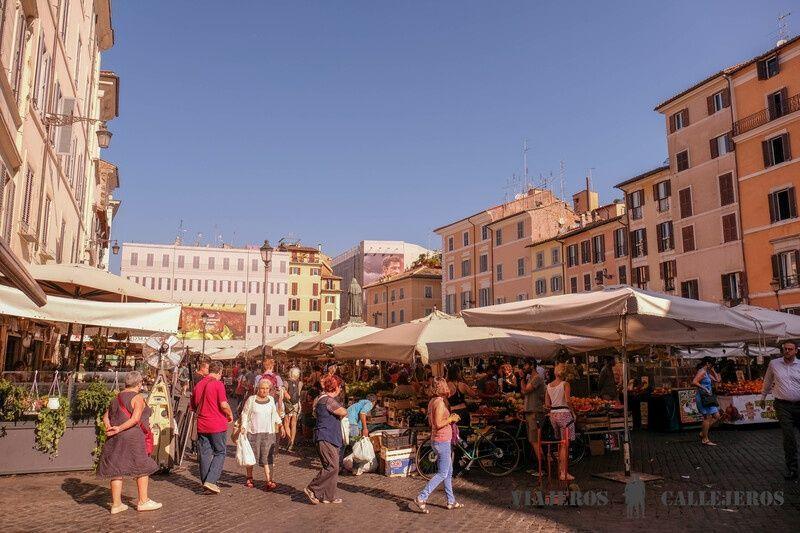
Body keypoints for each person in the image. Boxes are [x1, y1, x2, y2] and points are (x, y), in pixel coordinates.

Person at [96, 371, 162, 514]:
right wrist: (119, 428)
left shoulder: (116, 398)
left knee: (116, 469)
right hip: (133, 437)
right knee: (142, 466)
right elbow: (135, 419)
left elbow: (105, 417)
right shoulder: (137, 397)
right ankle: (143, 501)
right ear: (139, 384)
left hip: (115, 437)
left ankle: (116, 504)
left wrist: (111, 428)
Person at [412, 378, 463, 513]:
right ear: (442, 387)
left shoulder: (433, 401)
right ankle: (422, 497)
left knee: (448, 472)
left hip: (438, 440)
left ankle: (451, 501)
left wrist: (449, 418)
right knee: (442, 473)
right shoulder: (439, 403)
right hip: (442, 441)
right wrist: (451, 419)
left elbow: (433, 422)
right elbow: (438, 423)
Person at [191, 361, 234, 494]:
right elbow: (223, 404)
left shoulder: (198, 385)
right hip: (216, 424)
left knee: (204, 454)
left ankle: (206, 482)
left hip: (202, 424)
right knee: (220, 452)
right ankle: (211, 481)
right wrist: (230, 414)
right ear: (220, 372)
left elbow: (193, 405)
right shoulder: (218, 384)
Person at [305, 375, 348, 505]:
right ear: (336, 387)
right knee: (332, 467)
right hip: (326, 436)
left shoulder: (321, 398)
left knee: (332, 466)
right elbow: (343, 411)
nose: (341, 389)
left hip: (327, 436)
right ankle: (312, 488)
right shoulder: (328, 400)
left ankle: (328, 496)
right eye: (340, 386)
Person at [760, 340, 800, 479]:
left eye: (790, 349)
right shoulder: (774, 364)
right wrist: (763, 397)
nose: (787, 351)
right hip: (783, 406)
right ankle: (792, 469)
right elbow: (767, 381)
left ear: (796, 350)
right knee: (789, 437)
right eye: (785, 349)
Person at [240, 379, 285, 490]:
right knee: (251, 457)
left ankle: (269, 480)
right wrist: (244, 426)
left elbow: (274, 414)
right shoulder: (251, 399)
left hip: (268, 433)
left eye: (267, 389)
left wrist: (280, 425)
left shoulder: (270, 400)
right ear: (258, 389)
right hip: (253, 432)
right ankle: (249, 477)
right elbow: (245, 413)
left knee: (267, 457)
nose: (264, 391)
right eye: (262, 388)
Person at [545, 364, 575, 481]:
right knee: (565, 445)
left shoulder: (548, 385)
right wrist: (573, 412)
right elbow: (568, 400)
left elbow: (547, 404)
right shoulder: (565, 384)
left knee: (560, 443)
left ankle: (560, 470)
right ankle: (563, 472)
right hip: (565, 415)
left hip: (553, 415)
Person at [522, 365, 546, 476]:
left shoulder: (537, 378)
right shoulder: (531, 379)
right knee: (533, 440)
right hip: (530, 412)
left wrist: (521, 378)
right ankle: (538, 466)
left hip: (535, 413)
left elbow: (525, 391)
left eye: (525, 365)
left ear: (531, 365)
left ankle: (542, 468)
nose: (523, 367)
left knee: (535, 440)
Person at [692, 356, 721, 446]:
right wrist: (704, 388)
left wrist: (713, 370)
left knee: (716, 416)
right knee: (707, 418)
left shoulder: (707, 372)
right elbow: (694, 381)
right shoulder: (702, 372)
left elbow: (717, 380)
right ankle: (705, 439)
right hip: (703, 397)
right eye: (711, 365)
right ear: (707, 363)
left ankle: (703, 432)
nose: (712, 366)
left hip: (708, 397)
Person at [283, 367, 303, 451]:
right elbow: (298, 394)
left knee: (286, 422)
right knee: (294, 423)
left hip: (288, 404)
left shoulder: (286, 382)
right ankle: (292, 442)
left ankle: (289, 439)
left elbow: (284, 392)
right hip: (296, 404)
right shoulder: (300, 383)